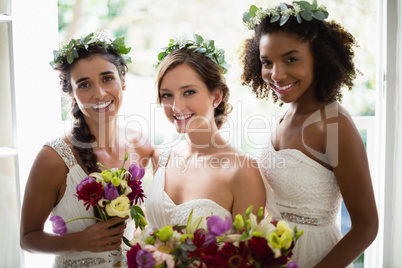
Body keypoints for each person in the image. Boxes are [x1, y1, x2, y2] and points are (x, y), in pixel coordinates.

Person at [240, 2, 378, 267]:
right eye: (267, 62)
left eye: (291, 59)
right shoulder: (282, 116)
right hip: (275, 253)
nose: (276, 74)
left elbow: (367, 226)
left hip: (318, 255)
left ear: (320, 57)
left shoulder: (334, 123)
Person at [19, 31, 153, 267]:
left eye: (107, 78)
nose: (99, 93)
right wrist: (79, 241)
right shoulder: (53, 158)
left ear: (122, 78)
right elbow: (28, 239)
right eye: (84, 84)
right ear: (71, 94)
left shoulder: (141, 144)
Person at [145, 34, 266, 229]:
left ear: (216, 96)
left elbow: (248, 254)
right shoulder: (160, 158)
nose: (176, 107)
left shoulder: (243, 171)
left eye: (189, 92)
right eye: (167, 95)